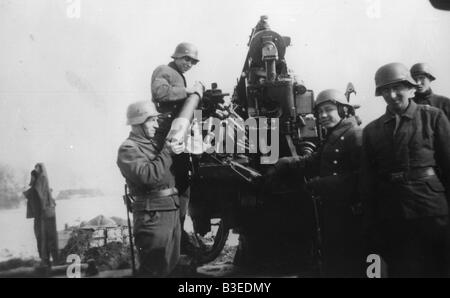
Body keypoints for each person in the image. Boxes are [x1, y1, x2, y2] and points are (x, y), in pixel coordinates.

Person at [361, 62, 450, 277]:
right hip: (393, 213)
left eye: (397, 88)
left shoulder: (433, 117)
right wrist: (372, 220)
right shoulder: (372, 130)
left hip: (432, 210)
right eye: (385, 90)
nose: (392, 95)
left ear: (410, 88)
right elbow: (368, 180)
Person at [272, 89, 364, 277]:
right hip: (333, 210)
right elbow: (314, 161)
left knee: (348, 262)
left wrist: (323, 184)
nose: (323, 116)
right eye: (319, 112)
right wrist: (287, 163)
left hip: (349, 213)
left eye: (328, 110)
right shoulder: (335, 134)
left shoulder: (355, 135)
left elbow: (362, 178)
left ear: (343, 110)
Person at [117, 100, 185, 277]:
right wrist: (167, 152)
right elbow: (148, 176)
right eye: (151, 120)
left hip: (170, 209)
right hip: (153, 215)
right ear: (138, 123)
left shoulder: (154, 143)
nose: (156, 124)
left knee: (169, 268)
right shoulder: (128, 149)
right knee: (153, 270)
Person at [150, 42, 203, 254]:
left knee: (184, 184)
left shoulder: (178, 75)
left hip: (179, 137)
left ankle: (179, 235)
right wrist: (188, 90)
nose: (189, 64)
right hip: (166, 137)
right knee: (174, 185)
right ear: (177, 57)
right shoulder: (164, 70)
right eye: (186, 59)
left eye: (192, 61)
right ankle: (174, 239)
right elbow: (160, 93)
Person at [23, 163, 58, 270]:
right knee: (45, 239)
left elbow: (40, 196)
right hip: (44, 215)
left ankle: (47, 262)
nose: (36, 171)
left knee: (44, 239)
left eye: (37, 169)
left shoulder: (40, 181)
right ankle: (49, 261)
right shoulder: (41, 183)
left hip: (44, 215)